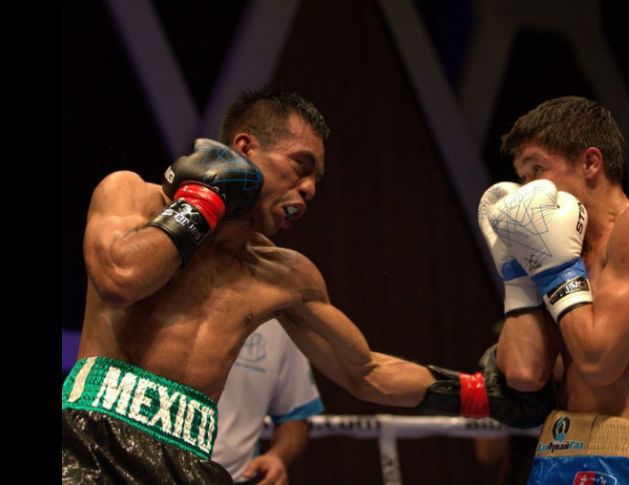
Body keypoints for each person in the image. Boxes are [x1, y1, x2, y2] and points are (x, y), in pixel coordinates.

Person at [61, 88, 555, 483]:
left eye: (317, 179)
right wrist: (203, 202)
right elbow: (120, 278)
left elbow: (366, 371)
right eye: (300, 167)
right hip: (91, 446)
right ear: (244, 150)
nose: (310, 190)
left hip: (189, 461)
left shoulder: (285, 274)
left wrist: (479, 394)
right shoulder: (132, 195)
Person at [477, 96, 629, 483]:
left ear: (591, 163)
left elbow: (600, 364)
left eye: (537, 170)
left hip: (628, 461)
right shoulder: (560, 252)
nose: (526, 191)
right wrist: (517, 273)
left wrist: (555, 271)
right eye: (522, 176)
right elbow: (523, 372)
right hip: (553, 454)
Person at [213, 319, 324, 484]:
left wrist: (278, 456)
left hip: (240, 477)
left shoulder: (281, 324)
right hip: (166, 475)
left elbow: (294, 415)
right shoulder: (174, 303)